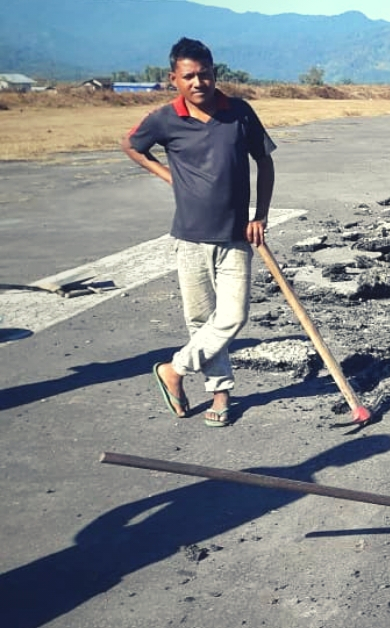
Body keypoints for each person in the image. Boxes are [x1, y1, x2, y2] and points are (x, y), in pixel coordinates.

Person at [121, 37, 276, 427]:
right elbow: (132, 145)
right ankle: (220, 395)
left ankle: (173, 370)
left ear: (214, 74)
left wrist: (261, 215)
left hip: (236, 235)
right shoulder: (164, 119)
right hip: (189, 237)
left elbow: (265, 163)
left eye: (204, 74)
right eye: (189, 76)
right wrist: (169, 176)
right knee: (201, 321)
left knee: (232, 316)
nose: (198, 82)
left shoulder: (238, 113)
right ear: (174, 79)